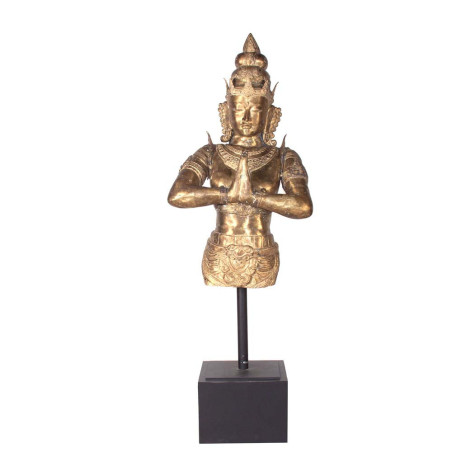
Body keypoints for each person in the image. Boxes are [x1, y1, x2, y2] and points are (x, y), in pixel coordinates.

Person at [168, 34, 313, 288]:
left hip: (261, 256)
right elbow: (177, 195)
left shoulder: (282, 157)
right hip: (219, 255)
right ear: (226, 112)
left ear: (270, 115)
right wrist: (226, 195)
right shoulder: (211, 154)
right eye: (238, 109)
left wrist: (254, 199)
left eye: (255, 109)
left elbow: (303, 206)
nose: (246, 118)